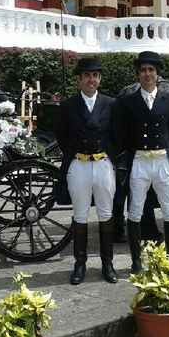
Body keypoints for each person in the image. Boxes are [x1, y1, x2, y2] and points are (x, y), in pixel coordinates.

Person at [115, 51, 169, 272]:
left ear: (157, 74)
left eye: (151, 70)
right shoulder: (128, 102)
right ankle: (136, 261)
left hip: (162, 161)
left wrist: (166, 149)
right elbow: (122, 134)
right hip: (140, 161)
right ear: (138, 75)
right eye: (143, 70)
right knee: (134, 211)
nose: (147, 74)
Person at [53, 57, 118, 285]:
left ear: (99, 79)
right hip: (79, 165)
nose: (91, 80)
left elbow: (116, 135)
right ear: (79, 79)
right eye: (87, 76)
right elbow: (61, 135)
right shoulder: (68, 105)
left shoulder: (111, 104)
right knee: (80, 216)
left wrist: (109, 155)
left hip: (102, 165)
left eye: (95, 76)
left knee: (105, 214)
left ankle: (107, 263)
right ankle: (79, 264)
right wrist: (74, 154)